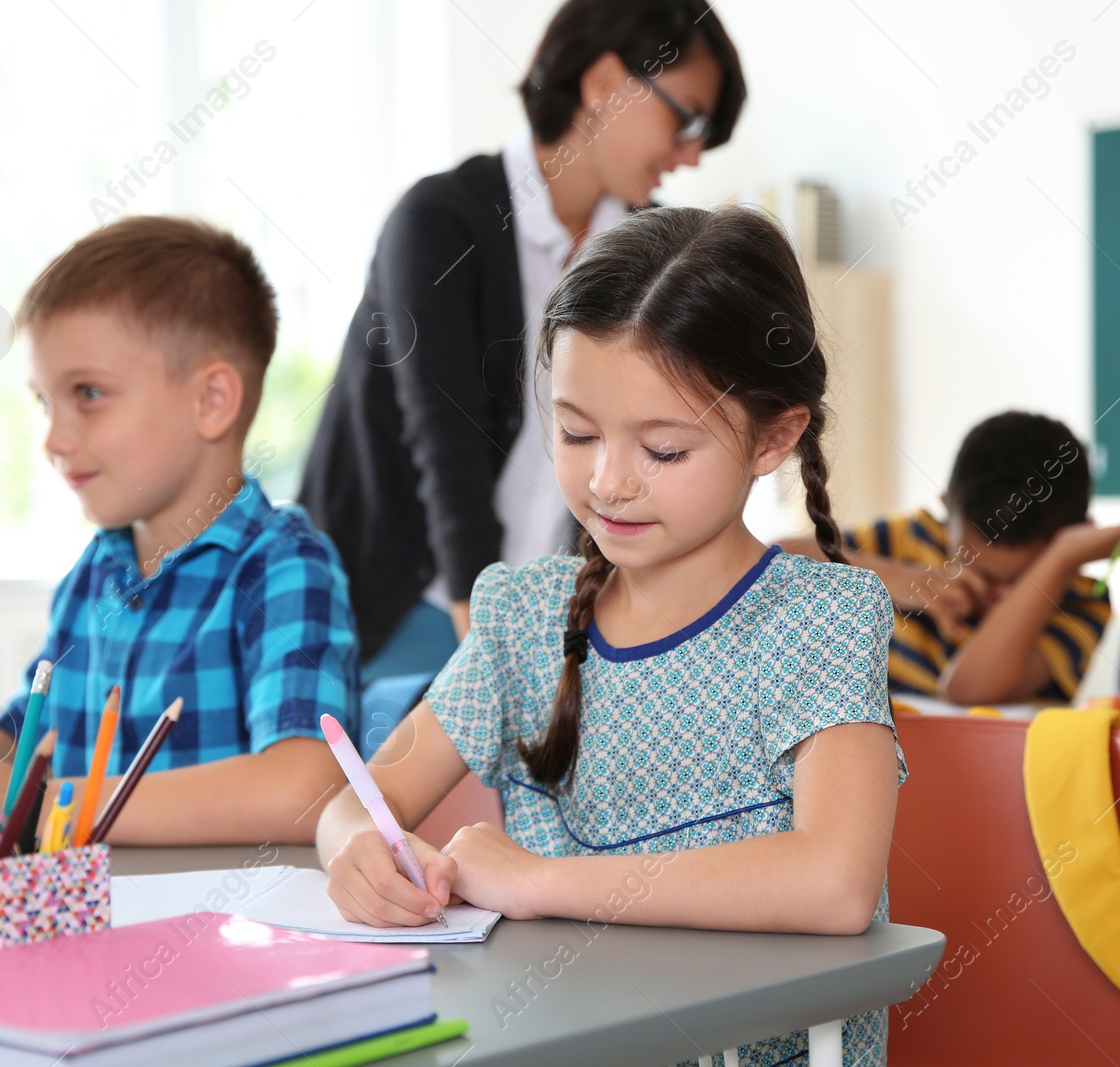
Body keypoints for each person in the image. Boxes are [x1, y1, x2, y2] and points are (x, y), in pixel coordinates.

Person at [317, 205, 903, 1066]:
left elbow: (836, 882)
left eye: (663, 450)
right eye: (576, 431)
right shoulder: (522, 616)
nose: (607, 481)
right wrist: (355, 851)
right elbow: (354, 802)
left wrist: (540, 881)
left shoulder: (819, 620)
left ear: (776, 435)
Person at [0, 217, 361, 846]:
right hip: (94, 920)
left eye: (87, 393)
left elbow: (306, 791)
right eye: (43, 402)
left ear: (212, 401)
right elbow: (19, 755)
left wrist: (49, 806)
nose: (54, 440)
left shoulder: (283, 564)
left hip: (223, 927)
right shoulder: (96, 574)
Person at [298, 0, 746, 683]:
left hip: (548, 618)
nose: (690, 153)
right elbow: (443, 447)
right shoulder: (440, 222)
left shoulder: (647, 253)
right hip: (407, 611)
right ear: (603, 83)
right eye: (685, 117)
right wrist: (492, 658)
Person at [785, 412, 1120, 704]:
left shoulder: (1082, 605)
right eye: (971, 563)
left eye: (1024, 576)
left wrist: (1060, 561)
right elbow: (767, 561)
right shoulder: (907, 542)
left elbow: (968, 689)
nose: (994, 592)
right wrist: (896, 578)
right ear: (947, 508)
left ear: (1078, 541)